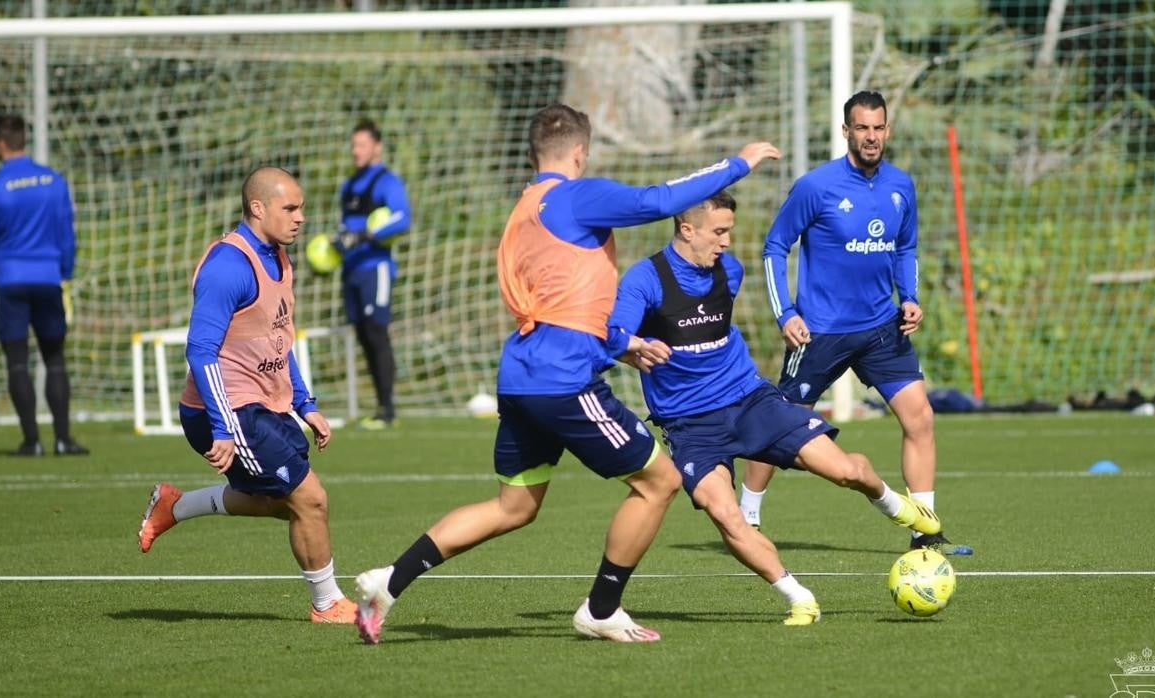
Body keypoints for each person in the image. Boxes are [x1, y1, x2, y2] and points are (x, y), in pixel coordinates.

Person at [352, 103, 780, 645]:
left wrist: (620, 349)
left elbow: (562, 299)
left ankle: (390, 582)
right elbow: (658, 201)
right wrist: (737, 163)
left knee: (514, 506)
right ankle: (601, 609)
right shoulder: (575, 195)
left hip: (522, 375)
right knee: (660, 482)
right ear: (580, 152)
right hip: (563, 379)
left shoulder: (526, 206)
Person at [609, 190, 941, 625]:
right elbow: (612, 334)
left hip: (750, 401)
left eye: (730, 230)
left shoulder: (729, 270)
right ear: (686, 230)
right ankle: (798, 596)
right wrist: (635, 345)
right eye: (719, 231)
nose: (727, 241)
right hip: (689, 425)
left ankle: (893, 504)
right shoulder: (644, 280)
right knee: (726, 517)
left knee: (846, 471)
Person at [749, 90, 971, 555]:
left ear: (888, 130)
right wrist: (785, 313)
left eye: (878, 127)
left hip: (880, 329)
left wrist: (909, 297)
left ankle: (924, 532)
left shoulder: (900, 185)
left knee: (921, 417)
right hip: (820, 331)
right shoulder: (816, 186)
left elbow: (905, 247)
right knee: (778, 423)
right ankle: (746, 517)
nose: (871, 137)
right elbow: (774, 247)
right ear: (846, 131)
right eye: (862, 128)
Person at [137, 167, 357, 624]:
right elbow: (200, 351)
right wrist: (222, 429)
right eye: (290, 208)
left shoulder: (278, 256)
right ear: (258, 208)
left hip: (263, 406)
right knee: (310, 500)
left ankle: (174, 506)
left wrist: (305, 403)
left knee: (285, 502)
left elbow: (277, 337)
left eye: (302, 208)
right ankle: (327, 603)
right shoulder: (227, 267)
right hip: (227, 411)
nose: (301, 218)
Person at [0, 114, 87, 457]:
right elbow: (66, 235)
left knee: (16, 361)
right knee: (54, 360)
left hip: (9, 281)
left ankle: (31, 441)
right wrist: (65, 275)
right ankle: (63, 439)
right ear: (24, 138)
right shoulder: (54, 182)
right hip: (47, 279)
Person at [335, 120, 412, 429]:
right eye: (354, 145)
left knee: (377, 332)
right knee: (363, 335)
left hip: (375, 268)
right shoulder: (348, 185)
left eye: (362, 145)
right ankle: (379, 405)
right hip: (351, 269)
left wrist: (364, 236)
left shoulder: (387, 182)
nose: (356, 151)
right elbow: (345, 227)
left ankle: (387, 408)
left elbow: (402, 218)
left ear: (377, 147)